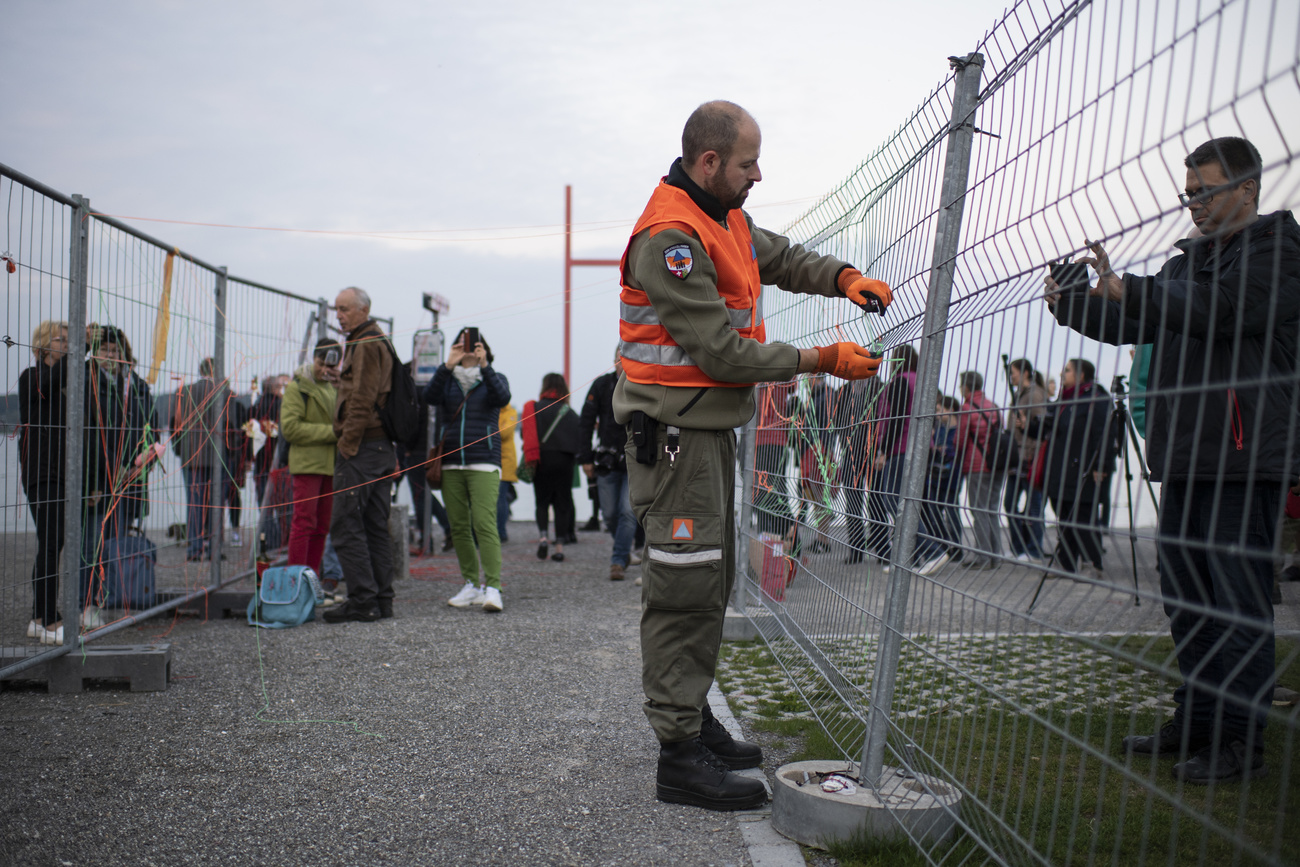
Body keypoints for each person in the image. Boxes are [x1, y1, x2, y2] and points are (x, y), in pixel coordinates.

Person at [613, 100, 890, 811]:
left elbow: (781, 255)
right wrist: (820, 356)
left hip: (703, 435)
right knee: (684, 585)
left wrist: (842, 276)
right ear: (710, 163)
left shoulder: (723, 218)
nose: (757, 174)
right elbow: (722, 351)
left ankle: (692, 716)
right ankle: (678, 754)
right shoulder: (671, 237)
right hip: (675, 441)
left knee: (709, 576)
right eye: (747, 163)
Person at [1046, 136, 1300, 782]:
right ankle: (1196, 720)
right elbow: (1138, 321)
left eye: (1207, 192)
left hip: (1245, 460)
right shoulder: (1189, 261)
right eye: (1189, 194)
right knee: (1187, 596)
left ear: (1247, 188)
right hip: (1187, 454)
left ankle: (1239, 743)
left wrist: (1129, 289)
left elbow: (1222, 310)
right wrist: (1073, 301)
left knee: (1236, 602)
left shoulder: (1277, 250)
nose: (1195, 205)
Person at [323, 287, 397, 623]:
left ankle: (363, 600)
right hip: (380, 448)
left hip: (364, 447)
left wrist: (347, 444)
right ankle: (381, 600)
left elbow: (364, 399)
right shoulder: (373, 338)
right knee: (374, 525)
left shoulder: (365, 342)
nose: (338, 315)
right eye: (336, 309)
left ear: (363, 310)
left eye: (344, 309)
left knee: (345, 524)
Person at [425, 327, 511, 611]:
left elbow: (502, 398)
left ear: (482, 348)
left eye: (473, 344)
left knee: (484, 525)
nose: (468, 349)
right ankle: (471, 584)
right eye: (461, 344)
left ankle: (493, 587)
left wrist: (485, 365)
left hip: (484, 462)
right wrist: (446, 365)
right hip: (450, 461)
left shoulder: (494, 377)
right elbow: (429, 397)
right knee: (459, 526)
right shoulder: (447, 380)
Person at [1021, 359, 1117, 580]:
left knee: (1083, 517)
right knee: (1064, 517)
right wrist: (1027, 425)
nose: (1062, 374)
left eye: (1067, 370)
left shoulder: (1096, 399)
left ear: (1081, 375)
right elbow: (1049, 430)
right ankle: (1067, 564)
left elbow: (1104, 433)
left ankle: (1095, 564)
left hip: (1082, 469)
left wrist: (1100, 465)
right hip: (1060, 470)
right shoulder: (1064, 401)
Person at [867, 345, 942, 571]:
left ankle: (931, 551)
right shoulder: (923, 380)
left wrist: (883, 450)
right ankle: (909, 558)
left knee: (894, 500)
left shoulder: (899, 382)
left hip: (902, 448)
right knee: (910, 502)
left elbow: (896, 419)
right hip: (921, 447)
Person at [19, 321, 71, 645]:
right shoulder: (32, 377)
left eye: (69, 340)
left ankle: (38, 616)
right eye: (60, 339)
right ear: (42, 344)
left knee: (52, 544)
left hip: (62, 473)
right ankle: (50, 620)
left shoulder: (63, 382)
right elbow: (51, 381)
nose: (66, 344)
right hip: (40, 473)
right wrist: (80, 348)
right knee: (51, 543)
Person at [280, 338, 340, 578]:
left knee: (322, 526)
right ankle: (295, 580)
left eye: (331, 366)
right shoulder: (297, 387)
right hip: (307, 466)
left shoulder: (334, 388)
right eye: (321, 363)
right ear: (313, 359)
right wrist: (332, 433)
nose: (326, 369)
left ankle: (311, 578)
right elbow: (290, 428)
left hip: (330, 466)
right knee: (304, 523)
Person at [577, 351, 638, 580]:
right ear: (615, 362)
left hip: (635, 460)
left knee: (627, 512)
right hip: (607, 460)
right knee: (610, 514)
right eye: (621, 360)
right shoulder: (602, 385)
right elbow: (585, 422)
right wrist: (584, 458)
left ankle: (618, 560)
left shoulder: (642, 385)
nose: (624, 365)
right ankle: (624, 551)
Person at [172, 356, 231, 562]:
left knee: (194, 504)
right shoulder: (224, 391)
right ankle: (215, 548)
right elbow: (230, 425)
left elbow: (175, 425)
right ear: (216, 370)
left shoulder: (184, 391)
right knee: (216, 504)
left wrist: (180, 450)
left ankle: (194, 549)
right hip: (218, 455)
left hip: (192, 456)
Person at [522, 373, 581, 563]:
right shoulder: (569, 412)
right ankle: (559, 548)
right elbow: (579, 438)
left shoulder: (535, 409)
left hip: (542, 460)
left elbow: (526, 436)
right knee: (562, 504)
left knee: (542, 502)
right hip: (564, 460)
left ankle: (543, 537)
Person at [831, 375, 884, 564]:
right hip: (850, 452)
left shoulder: (880, 387)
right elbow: (836, 422)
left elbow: (884, 420)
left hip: (873, 452)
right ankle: (856, 549)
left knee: (876, 500)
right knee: (852, 503)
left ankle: (882, 549)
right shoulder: (843, 391)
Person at [956, 371, 1004, 570]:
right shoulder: (993, 406)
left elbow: (960, 439)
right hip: (996, 464)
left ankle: (983, 557)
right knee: (992, 510)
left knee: (978, 510)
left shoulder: (966, 408)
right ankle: (996, 556)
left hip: (977, 466)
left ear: (966, 387)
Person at [1004, 359, 1048, 561]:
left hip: (1029, 459)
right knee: (1011, 504)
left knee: (1033, 507)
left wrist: (1025, 427)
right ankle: (1020, 549)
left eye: (1012, 372)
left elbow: (1041, 429)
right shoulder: (1020, 396)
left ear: (1025, 373)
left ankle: (1033, 550)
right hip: (1016, 459)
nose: (1010, 376)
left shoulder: (1035, 395)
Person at [752, 379, 798, 540]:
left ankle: (788, 532)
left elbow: (793, 385)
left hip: (769, 439)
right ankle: (771, 537)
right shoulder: (780, 366)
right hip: (764, 439)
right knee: (765, 491)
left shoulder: (771, 365)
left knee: (768, 490)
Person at [497, 402, 520, 543]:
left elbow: (504, 433)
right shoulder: (493, 410)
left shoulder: (510, 413)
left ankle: (501, 532)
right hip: (492, 461)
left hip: (505, 463)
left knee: (501, 498)